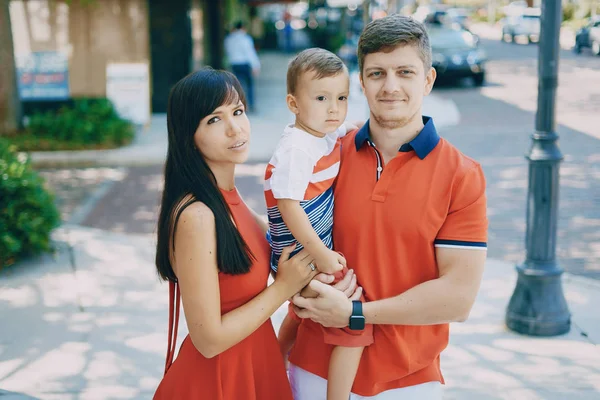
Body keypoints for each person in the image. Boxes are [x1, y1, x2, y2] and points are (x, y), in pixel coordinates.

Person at [286, 15, 489, 399]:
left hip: (408, 381)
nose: (390, 86)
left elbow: (458, 298)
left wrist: (356, 314)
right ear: (361, 82)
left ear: (427, 80)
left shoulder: (461, 175)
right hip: (314, 369)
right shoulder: (327, 156)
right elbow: (290, 242)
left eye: (405, 72)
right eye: (377, 73)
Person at [152, 68, 319, 400]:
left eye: (238, 111)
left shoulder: (228, 197)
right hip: (217, 382)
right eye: (214, 120)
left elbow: (285, 249)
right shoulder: (197, 215)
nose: (235, 128)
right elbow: (209, 340)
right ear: (189, 135)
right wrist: (282, 287)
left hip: (255, 366)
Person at [264, 48, 373, 400]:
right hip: (301, 253)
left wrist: (354, 129)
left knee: (302, 311)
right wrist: (321, 254)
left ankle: (275, 360)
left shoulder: (322, 132)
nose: (333, 108)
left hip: (308, 251)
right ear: (293, 104)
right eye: (322, 98)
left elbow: (344, 128)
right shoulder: (297, 148)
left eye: (341, 97)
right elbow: (288, 205)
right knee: (355, 317)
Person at [224, 21, 260, 112]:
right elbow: (250, 53)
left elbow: (228, 52)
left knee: (237, 86)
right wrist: (255, 66)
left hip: (234, 64)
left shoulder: (229, 39)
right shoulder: (246, 39)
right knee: (249, 85)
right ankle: (251, 105)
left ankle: (238, 106)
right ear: (243, 28)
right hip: (245, 64)